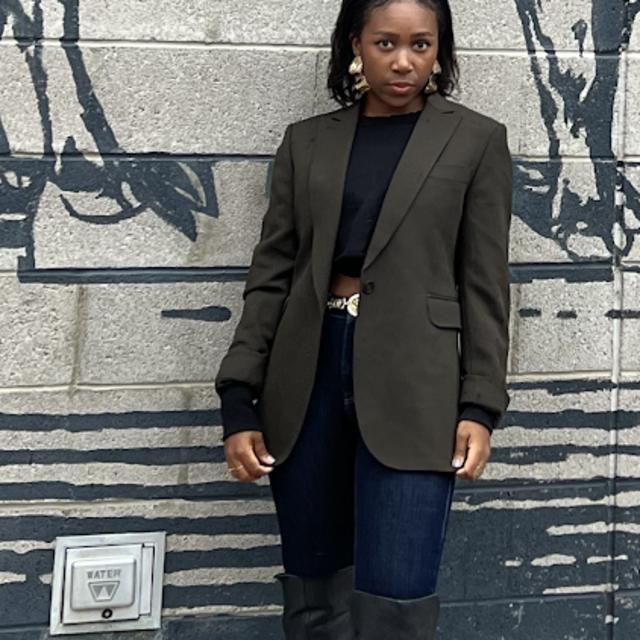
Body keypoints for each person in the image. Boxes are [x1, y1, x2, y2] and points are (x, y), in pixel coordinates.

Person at [214, 0, 513, 637]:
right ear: (355, 45)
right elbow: (271, 277)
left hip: (417, 385)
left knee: (395, 603)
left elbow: (485, 285)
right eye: (385, 44)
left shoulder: (477, 140)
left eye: (421, 45)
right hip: (307, 377)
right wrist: (238, 398)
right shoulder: (306, 142)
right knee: (314, 597)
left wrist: (480, 406)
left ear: (440, 51)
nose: (403, 62)